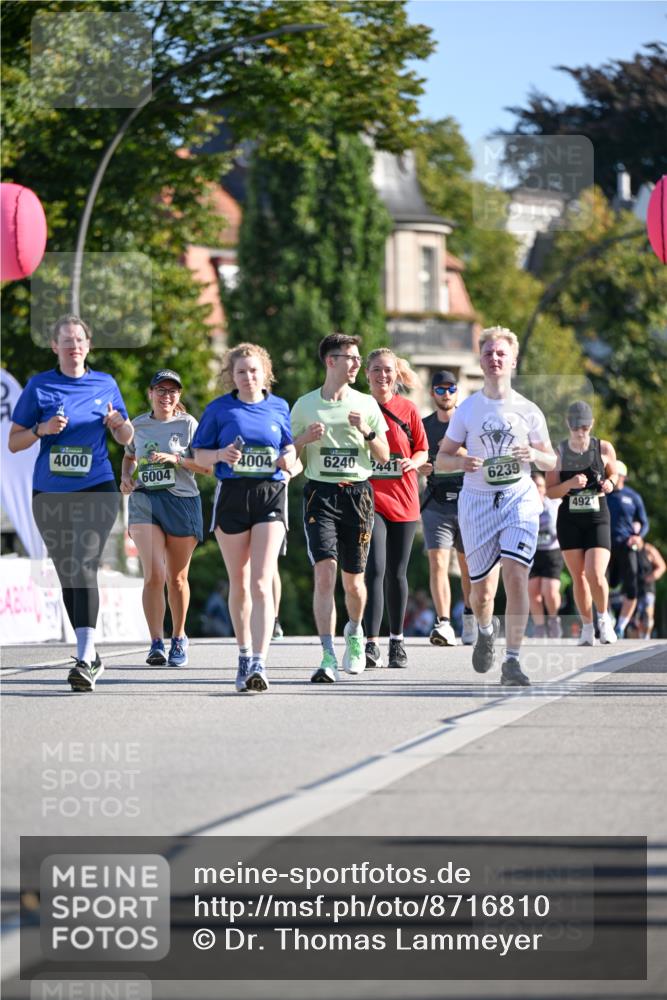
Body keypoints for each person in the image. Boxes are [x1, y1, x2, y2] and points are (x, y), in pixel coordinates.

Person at [8, 314, 133, 692]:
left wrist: (116, 423)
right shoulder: (40, 386)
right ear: (55, 347)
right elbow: (14, 441)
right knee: (67, 572)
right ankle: (89, 654)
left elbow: (129, 436)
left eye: (79, 340)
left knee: (84, 562)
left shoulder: (105, 384)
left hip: (97, 487)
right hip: (50, 493)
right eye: (66, 341)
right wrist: (41, 430)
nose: (74, 346)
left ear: (88, 345)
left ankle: (84, 653)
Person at [436, 326, 556, 686]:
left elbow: (551, 461)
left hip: (518, 498)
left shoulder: (528, 409)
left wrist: (534, 454)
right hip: (476, 502)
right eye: (488, 353)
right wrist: (461, 463)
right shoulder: (469, 408)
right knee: (482, 592)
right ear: (481, 359)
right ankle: (486, 630)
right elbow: (442, 457)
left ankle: (514, 660)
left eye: (501, 353)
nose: (494, 359)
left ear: (513, 360)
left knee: (517, 575)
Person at [192, 343, 295, 693]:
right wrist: (221, 453)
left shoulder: (280, 407)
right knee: (239, 580)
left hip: (270, 493)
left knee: (262, 581)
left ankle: (260, 663)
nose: (248, 377)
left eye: (254, 370)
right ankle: (243, 653)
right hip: (233, 495)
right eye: (241, 372)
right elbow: (200, 456)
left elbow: (291, 449)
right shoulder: (219, 409)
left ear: (265, 372)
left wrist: (289, 461)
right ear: (231, 376)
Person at [291, 333, 389, 683]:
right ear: (331, 361)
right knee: (324, 574)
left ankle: (355, 633)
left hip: (358, 495)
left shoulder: (366, 403)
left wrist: (366, 431)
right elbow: (288, 455)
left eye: (359, 358)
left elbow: (385, 456)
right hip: (321, 494)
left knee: (354, 583)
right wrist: (303, 440)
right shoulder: (304, 405)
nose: (357, 364)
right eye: (352, 358)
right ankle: (327, 655)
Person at [120, 369, 210, 667]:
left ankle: (179, 636)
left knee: (177, 578)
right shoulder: (139, 424)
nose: (166, 395)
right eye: (161, 390)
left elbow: (206, 466)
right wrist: (125, 478)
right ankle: (156, 641)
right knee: (154, 574)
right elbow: (129, 456)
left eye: (172, 391)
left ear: (178, 396)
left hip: (182, 502)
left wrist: (177, 459)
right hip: (146, 500)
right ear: (151, 393)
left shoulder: (188, 424)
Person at [362, 348, 428, 668]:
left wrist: (410, 463)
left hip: (404, 499)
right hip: (370, 499)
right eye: (376, 370)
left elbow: (422, 451)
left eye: (388, 370)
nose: (382, 375)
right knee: (374, 568)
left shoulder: (408, 409)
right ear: (367, 374)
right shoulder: (359, 407)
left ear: (396, 374)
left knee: (397, 573)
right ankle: (370, 644)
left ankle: (397, 642)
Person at [545, 401, 618, 645]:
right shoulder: (560, 452)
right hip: (570, 519)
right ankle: (587, 628)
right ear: (569, 424)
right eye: (576, 426)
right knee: (579, 576)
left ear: (592, 424)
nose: (580, 431)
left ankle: (603, 619)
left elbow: (614, 472)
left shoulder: (603, 447)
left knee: (595, 573)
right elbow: (551, 491)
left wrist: (610, 482)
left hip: (597, 515)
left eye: (585, 426)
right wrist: (569, 485)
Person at [419, 370, 476, 648]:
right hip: (435, 504)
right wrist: (423, 466)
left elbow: (481, 459)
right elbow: (413, 459)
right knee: (438, 563)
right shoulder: (424, 425)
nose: (446, 394)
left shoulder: (468, 425)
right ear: (432, 394)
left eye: (450, 389)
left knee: (467, 566)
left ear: (458, 392)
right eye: (440, 390)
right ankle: (443, 622)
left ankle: (469, 615)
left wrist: (455, 453)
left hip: (467, 502)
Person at [607, 461, 650, 637]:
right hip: (605, 546)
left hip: (627, 546)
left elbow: (644, 522)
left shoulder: (633, 496)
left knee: (631, 587)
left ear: (623, 476)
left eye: (616, 474)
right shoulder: (602, 494)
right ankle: (606, 618)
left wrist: (638, 537)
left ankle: (621, 625)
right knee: (601, 582)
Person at [528, 472, 563, 638]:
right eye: (534, 486)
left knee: (549, 591)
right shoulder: (524, 504)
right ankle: (540, 626)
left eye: (540, 486)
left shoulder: (554, 502)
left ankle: (554, 620)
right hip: (532, 553)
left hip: (552, 552)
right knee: (533, 593)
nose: (538, 489)